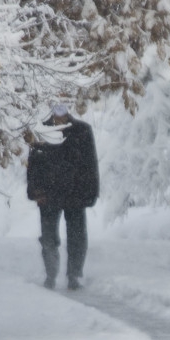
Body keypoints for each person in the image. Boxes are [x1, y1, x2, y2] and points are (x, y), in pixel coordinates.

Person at [26, 104, 99, 290]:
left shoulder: (82, 130)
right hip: (48, 194)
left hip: (76, 194)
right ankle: (51, 275)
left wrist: (90, 193)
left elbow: (90, 164)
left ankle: (74, 275)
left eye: (63, 108)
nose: (60, 113)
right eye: (56, 108)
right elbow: (33, 164)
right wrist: (35, 191)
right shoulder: (41, 130)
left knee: (77, 238)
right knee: (49, 238)